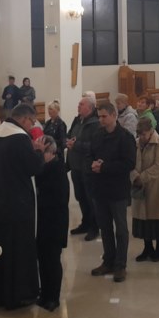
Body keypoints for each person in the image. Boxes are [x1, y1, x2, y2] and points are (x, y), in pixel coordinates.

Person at [0, 103, 45, 310]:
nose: (32, 125)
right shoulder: (20, 138)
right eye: (32, 121)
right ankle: (19, 295)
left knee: (1, 250)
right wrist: (39, 152)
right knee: (18, 251)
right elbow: (33, 168)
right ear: (24, 119)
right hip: (17, 205)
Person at [88, 102, 137, 283]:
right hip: (100, 188)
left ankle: (120, 265)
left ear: (114, 116)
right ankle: (108, 260)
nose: (101, 120)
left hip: (117, 189)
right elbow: (90, 154)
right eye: (99, 116)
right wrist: (93, 164)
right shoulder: (97, 134)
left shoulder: (125, 137)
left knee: (121, 229)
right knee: (105, 227)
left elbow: (129, 163)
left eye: (104, 116)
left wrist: (104, 167)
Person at [130, 117, 159, 262]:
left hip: (156, 186)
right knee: (143, 219)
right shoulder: (135, 144)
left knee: (156, 217)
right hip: (139, 186)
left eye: (144, 134)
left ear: (151, 131)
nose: (142, 137)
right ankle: (147, 247)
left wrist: (141, 177)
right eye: (140, 134)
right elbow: (131, 163)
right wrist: (134, 176)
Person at [35, 136, 69, 312]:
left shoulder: (57, 169)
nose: (40, 156)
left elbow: (59, 198)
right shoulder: (43, 168)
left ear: (51, 152)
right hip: (43, 221)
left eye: (43, 152)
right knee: (42, 258)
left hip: (54, 222)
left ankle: (53, 297)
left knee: (53, 260)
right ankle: (44, 293)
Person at [67, 96, 101, 240]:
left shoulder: (95, 124)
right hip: (76, 165)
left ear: (90, 108)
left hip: (87, 167)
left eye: (81, 104)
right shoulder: (77, 120)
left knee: (90, 198)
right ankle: (85, 223)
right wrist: (68, 141)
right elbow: (69, 135)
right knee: (80, 196)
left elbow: (95, 146)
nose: (78, 106)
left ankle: (94, 227)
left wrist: (76, 145)